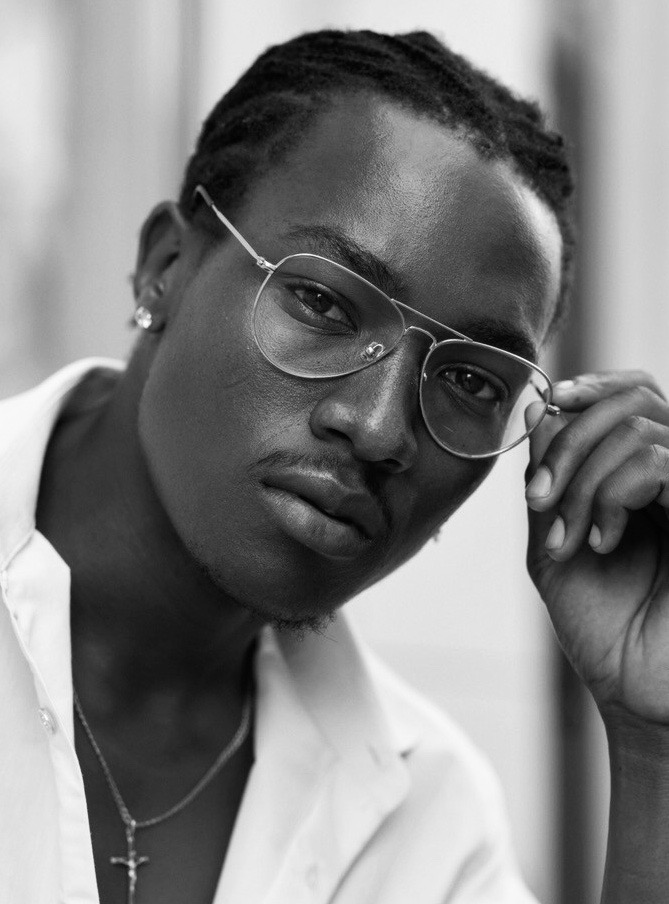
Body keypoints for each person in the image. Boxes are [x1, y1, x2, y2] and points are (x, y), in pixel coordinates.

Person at [2, 27, 668, 904]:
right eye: (322, 302)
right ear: (165, 268)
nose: (380, 427)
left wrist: (653, 746)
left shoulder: (430, 821)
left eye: (469, 380)